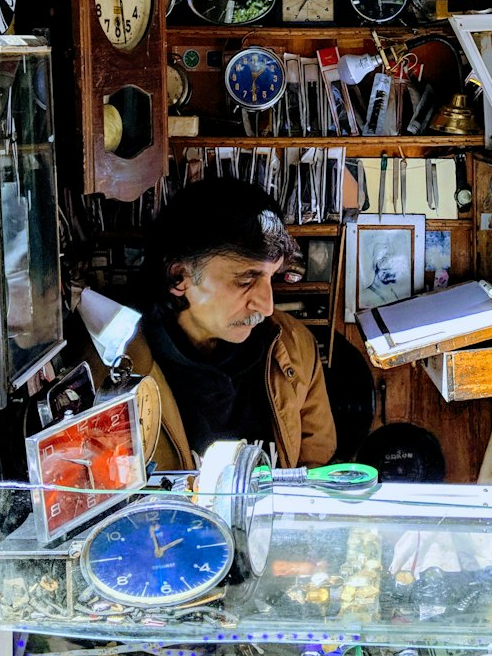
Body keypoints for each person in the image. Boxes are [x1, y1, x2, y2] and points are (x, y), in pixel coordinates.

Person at [123, 177, 336, 471]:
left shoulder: (293, 346)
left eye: (271, 277)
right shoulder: (118, 368)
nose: (267, 305)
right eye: (246, 280)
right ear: (179, 277)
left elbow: (314, 476)